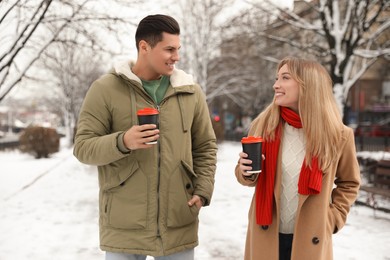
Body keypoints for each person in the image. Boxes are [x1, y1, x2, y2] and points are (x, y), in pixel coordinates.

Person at [73, 14, 217, 260]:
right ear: (144, 47)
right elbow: (83, 147)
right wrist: (123, 142)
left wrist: (203, 190)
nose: (177, 57)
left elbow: (205, 146)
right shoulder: (105, 89)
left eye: (178, 49)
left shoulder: (190, 91)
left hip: (178, 221)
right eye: (169, 49)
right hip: (124, 224)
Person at [235, 57, 360, 260]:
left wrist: (332, 219)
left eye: (285, 78)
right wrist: (244, 170)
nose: (276, 84)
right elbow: (246, 178)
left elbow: (349, 183)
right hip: (266, 235)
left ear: (308, 84)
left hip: (310, 238)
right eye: (277, 78)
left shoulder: (338, 136)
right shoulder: (265, 126)